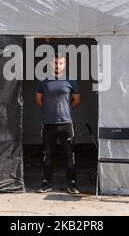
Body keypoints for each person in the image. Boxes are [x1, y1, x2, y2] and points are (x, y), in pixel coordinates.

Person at [35, 53, 81, 194]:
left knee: (69, 154)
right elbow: (38, 100)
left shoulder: (70, 80)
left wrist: (65, 110)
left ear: (64, 64)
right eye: (55, 63)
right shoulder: (43, 81)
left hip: (66, 123)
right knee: (48, 154)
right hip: (48, 124)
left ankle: (72, 184)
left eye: (60, 63)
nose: (57, 65)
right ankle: (46, 183)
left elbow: (76, 100)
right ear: (50, 64)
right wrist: (50, 111)